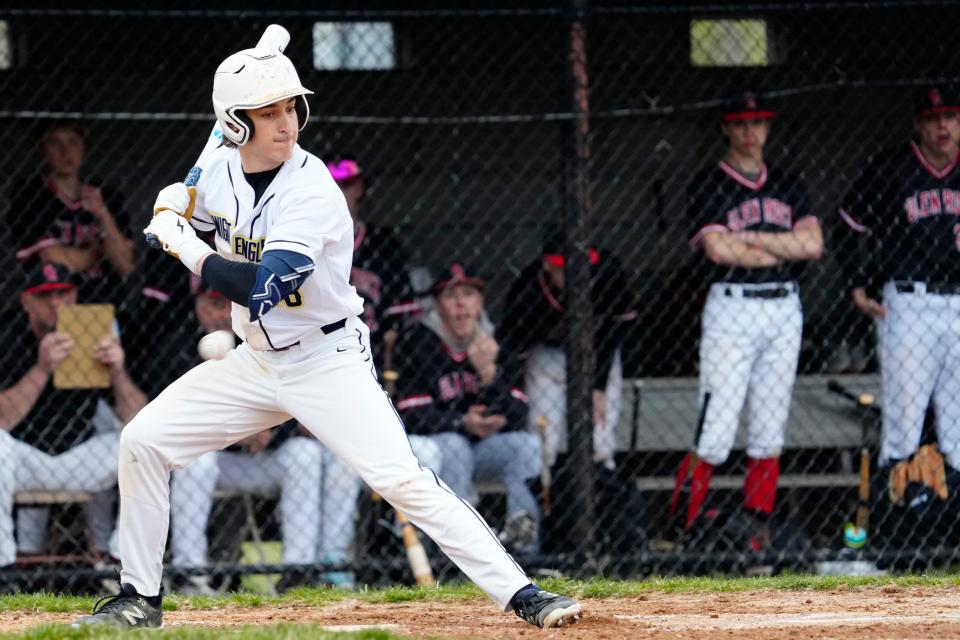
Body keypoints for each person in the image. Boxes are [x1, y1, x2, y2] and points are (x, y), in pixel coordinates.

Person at [72, 45, 580, 629]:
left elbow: (258, 286)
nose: (288, 122)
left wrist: (181, 241)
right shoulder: (216, 169)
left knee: (401, 479)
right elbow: (210, 216)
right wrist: (179, 207)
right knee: (142, 442)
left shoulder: (312, 190)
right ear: (235, 123)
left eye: (291, 108)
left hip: (325, 359)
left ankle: (523, 594)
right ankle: (139, 596)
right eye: (270, 112)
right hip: (255, 360)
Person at [681, 90, 822, 540]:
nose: (750, 131)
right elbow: (718, 249)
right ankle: (683, 531)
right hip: (732, 306)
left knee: (769, 428)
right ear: (727, 128)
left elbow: (813, 244)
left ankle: (756, 533)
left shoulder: (787, 182)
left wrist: (750, 242)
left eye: (758, 122)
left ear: (767, 127)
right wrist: (780, 244)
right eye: (741, 123)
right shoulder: (709, 183)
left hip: (784, 306)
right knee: (715, 430)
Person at [838, 86, 960, 524]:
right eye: (932, 118)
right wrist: (855, 285)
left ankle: (948, 530)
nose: (942, 126)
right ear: (917, 124)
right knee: (904, 421)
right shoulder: (893, 168)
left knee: (959, 427)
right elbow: (848, 224)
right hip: (910, 301)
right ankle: (896, 532)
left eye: (950, 116)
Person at [0, 262, 146, 573]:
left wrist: (118, 372)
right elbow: (3, 420)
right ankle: (4, 566)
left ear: (75, 296)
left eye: (63, 294)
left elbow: (138, 417)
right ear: (26, 301)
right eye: (44, 295)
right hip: (22, 460)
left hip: (79, 457)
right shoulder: (8, 334)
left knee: (143, 440)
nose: (55, 303)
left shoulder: (92, 333)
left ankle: (122, 559)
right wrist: (41, 369)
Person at [394, 264, 542, 553]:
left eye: (469, 294)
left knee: (526, 446)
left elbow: (519, 410)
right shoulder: (419, 340)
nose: (461, 303)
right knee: (455, 445)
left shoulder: (495, 341)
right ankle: (462, 552)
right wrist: (462, 421)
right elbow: (410, 413)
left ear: (480, 302)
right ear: (438, 303)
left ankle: (524, 546)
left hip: (486, 447)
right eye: (451, 296)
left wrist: (489, 374)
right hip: (443, 445)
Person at [499, 232, 636, 471]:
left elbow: (616, 330)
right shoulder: (527, 292)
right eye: (566, 268)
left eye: (583, 265)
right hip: (547, 359)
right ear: (547, 265)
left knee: (601, 441)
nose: (577, 274)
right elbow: (514, 348)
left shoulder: (608, 272)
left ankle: (603, 493)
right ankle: (543, 496)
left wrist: (598, 387)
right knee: (542, 441)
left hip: (597, 356)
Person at [8, 120, 135, 305]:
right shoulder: (31, 195)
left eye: (73, 142)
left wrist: (102, 214)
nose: (65, 151)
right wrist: (101, 252)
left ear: (83, 148)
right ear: (43, 150)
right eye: (55, 143)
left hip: (106, 302)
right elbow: (55, 261)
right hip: (55, 305)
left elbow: (125, 265)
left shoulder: (106, 196)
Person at [326, 153, 418, 367]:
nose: (338, 194)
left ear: (359, 189)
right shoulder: (305, 244)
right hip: (319, 353)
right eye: (331, 186)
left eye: (345, 185)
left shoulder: (383, 246)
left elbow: (402, 320)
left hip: (371, 355)